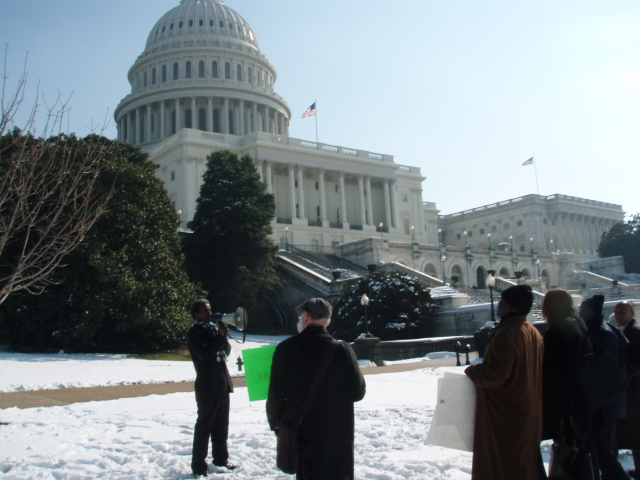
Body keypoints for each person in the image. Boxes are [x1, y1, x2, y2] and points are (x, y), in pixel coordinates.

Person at [266, 298, 366, 480]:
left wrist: (277, 426)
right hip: (337, 438)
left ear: (306, 317)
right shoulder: (343, 350)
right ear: (328, 320)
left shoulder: (285, 349)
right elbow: (358, 393)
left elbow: (275, 397)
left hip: (302, 434)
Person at [465, 285, 544, 480]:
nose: (498, 305)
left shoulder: (506, 333)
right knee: (523, 466)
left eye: (502, 302)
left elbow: (494, 377)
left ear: (512, 307)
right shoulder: (532, 331)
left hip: (505, 414)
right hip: (527, 410)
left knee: (502, 466)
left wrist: (473, 370)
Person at [578, 295, 630, 480]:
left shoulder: (603, 333)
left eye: (583, 310)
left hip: (606, 405)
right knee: (603, 453)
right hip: (601, 404)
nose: (579, 313)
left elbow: (609, 373)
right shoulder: (597, 330)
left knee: (607, 453)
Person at [187, 299, 237, 478]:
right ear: (196, 314)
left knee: (221, 426)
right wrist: (219, 338)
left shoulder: (213, 329)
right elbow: (204, 354)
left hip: (222, 383)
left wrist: (223, 337)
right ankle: (198, 466)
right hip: (208, 386)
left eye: (209, 309)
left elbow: (227, 351)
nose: (209, 313)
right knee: (204, 427)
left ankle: (221, 459)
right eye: (205, 310)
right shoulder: (195, 333)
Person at [541, 289, 592, 444]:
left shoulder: (561, 329)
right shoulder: (577, 321)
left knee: (571, 451)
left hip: (570, 403)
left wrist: (562, 407)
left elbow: (563, 371)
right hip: (583, 397)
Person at [615, 301, 640, 478]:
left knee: (636, 435)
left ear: (631, 313)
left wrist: (620, 376)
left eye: (622, 312)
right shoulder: (627, 330)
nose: (618, 315)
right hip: (632, 392)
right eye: (616, 312)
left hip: (635, 392)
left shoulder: (635, 332)